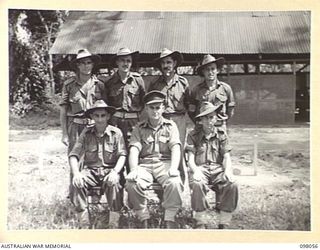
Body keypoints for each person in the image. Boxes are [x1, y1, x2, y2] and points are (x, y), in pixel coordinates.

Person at [125, 91, 184, 229]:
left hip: (165, 164)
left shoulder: (171, 126)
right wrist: (134, 170)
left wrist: (174, 168)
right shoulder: (139, 128)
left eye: (158, 107)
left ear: (163, 108)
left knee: (174, 182)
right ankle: (143, 216)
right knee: (132, 183)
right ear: (146, 108)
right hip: (145, 165)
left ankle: (169, 218)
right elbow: (134, 149)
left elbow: (176, 148)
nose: (155, 111)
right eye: (151, 107)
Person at [68, 100, 127, 228]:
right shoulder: (86, 132)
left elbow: (122, 155)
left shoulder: (116, 133)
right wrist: (76, 173)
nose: (100, 119)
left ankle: (113, 222)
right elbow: (73, 155)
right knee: (77, 182)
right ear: (92, 117)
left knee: (114, 183)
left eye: (103, 115)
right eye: (97, 116)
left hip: (109, 170)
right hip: (91, 172)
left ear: (108, 116)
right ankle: (84, 222)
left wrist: (115, 172)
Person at [185, 101, 238, 229]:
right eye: (206, 118)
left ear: (215, 118)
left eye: (211, 117)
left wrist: (227, 171)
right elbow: (190, 159)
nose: (209, 121)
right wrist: (195, 170)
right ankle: (200, 220)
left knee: (232, 183)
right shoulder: (193, 135)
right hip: (201, 169)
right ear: (200, 120)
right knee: (197, 183)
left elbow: (226, 156)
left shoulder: (221, 135)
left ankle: (224, 221)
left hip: (217, 169)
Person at [149, 48, 191, 181]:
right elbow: (151, 104)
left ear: (174, 64)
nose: (166, 66)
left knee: (178, 150)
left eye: (169, 62)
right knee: (161, 151)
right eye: (163, 63)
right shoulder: (155, 84)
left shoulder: (183, 83)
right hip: (161, 120)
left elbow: (189, 103)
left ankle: (180, 182)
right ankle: (163, 182)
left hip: (179, 120)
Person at [104, 47, 146, 150]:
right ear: (117, 62)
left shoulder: (138, 80)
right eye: (122, 60)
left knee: (134, 148)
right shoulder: (109, 82)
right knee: (116, 149)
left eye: (128, 61)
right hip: (115, 121)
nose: (125, 63)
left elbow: (144, 102)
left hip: (134, 122)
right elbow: (106, 104)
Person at [189, 54, 236, 131]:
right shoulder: (196, 90)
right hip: (202, 128)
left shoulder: (226, 89)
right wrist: (201, 123)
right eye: (207, 69)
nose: (210, 72)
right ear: (203, 72)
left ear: (217, 70)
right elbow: (191, 111)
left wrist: (222, 122)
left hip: (219, 127)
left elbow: (230, 110)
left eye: (213, 69)